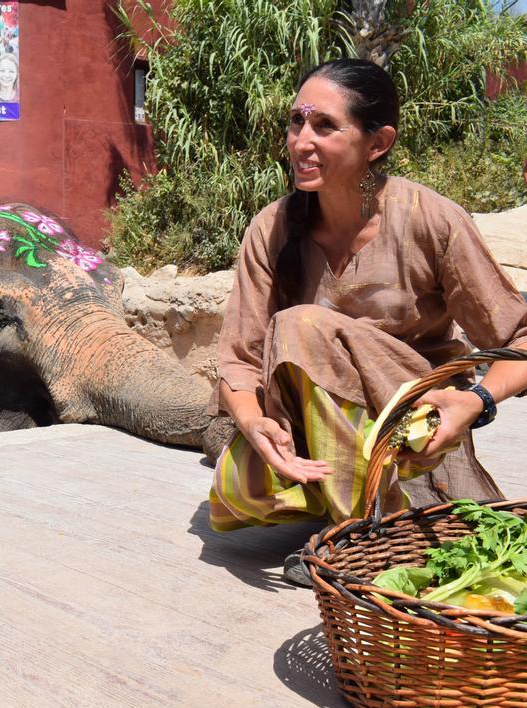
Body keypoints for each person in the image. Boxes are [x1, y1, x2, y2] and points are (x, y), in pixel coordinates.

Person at [208, 59, 527, 579]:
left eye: (324, 126)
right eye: (296, 122)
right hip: (308, 425)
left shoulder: (431, 219)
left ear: (377, 143)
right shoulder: (271, 229)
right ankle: (349, 502)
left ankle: (366, 535)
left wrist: (475, 401)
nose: (300, 141)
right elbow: (237, 364)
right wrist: (254, 423)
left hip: (407, 418)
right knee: (238, 492)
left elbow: (520, 340)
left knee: (300, 326)